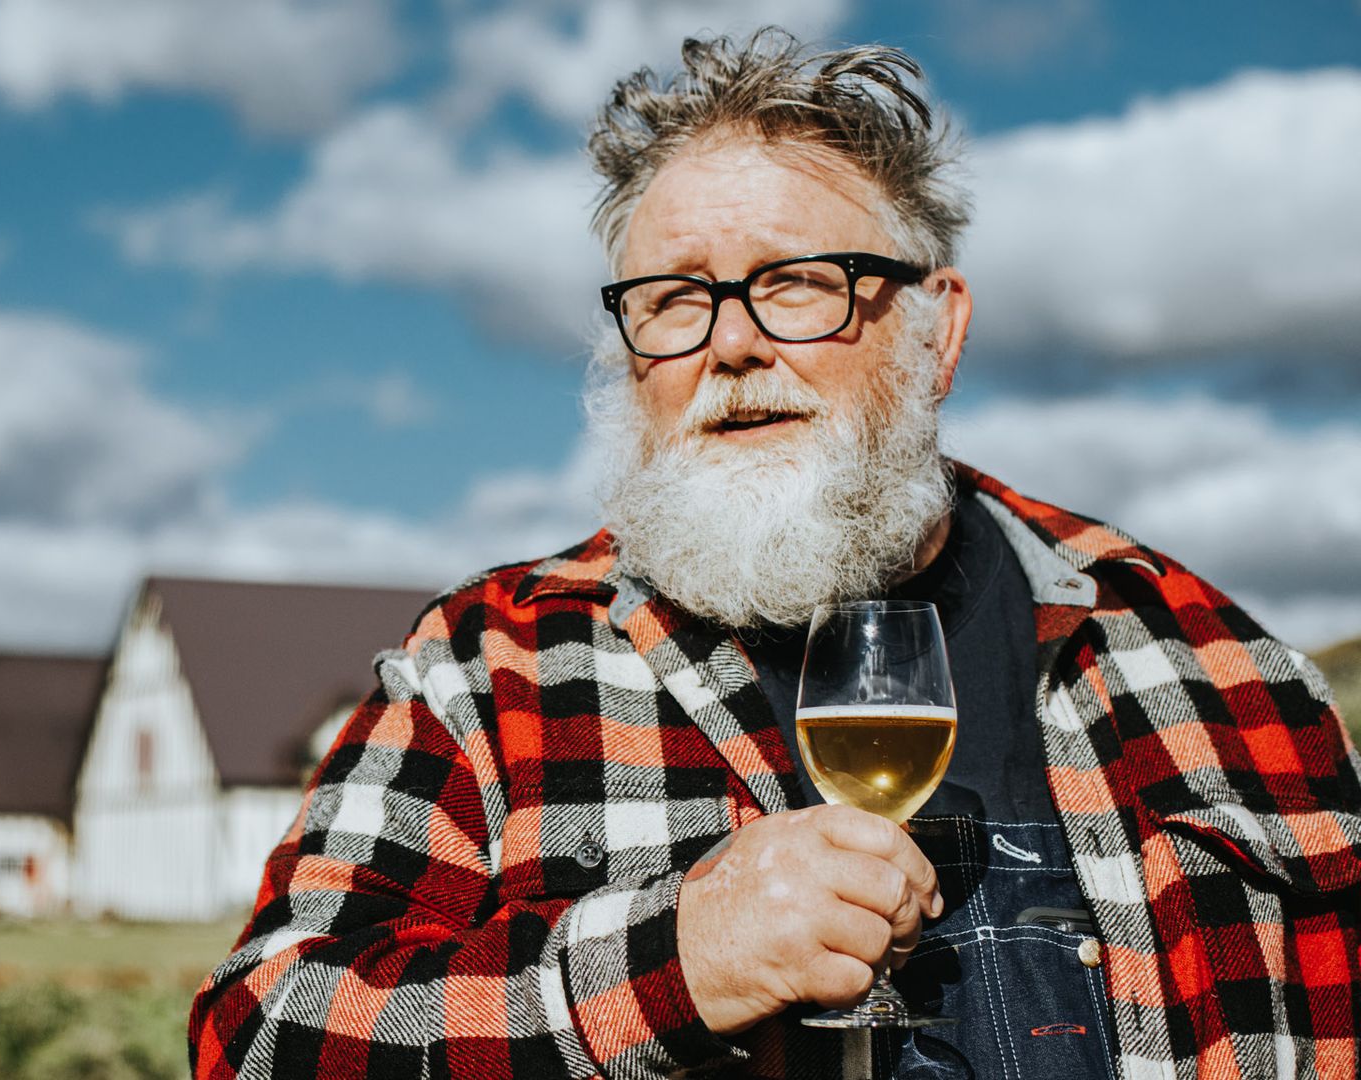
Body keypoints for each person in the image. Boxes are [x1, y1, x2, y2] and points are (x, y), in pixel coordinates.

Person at [189, 29, 1361, 1080]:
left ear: (936, 329)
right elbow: (260, 1038)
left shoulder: (1211, 662)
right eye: (674, 299)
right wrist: (670, 967)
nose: (733, 344)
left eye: (800, 286)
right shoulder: (488, 670)